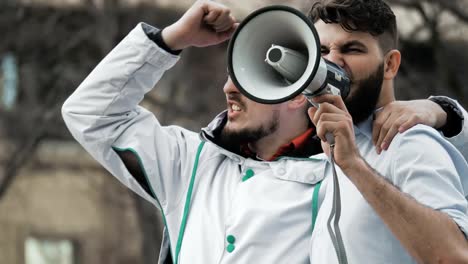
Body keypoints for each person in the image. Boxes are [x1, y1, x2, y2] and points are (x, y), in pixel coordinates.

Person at [61, 1, 467, 263]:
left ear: (296, 94)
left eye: (352, 50)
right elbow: (91, 115)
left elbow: (434, 191)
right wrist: (170, 40)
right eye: (323, 53)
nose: (229, 88)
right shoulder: (191, 164)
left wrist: (443, 114)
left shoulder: (342, 159)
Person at [306, 0, 468, 263]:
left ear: (390, 65)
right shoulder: (330, 153)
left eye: (352, 49)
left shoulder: (409, 142)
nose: (331, 62)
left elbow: (455, 257)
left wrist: (355, 166)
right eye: (322, 51)